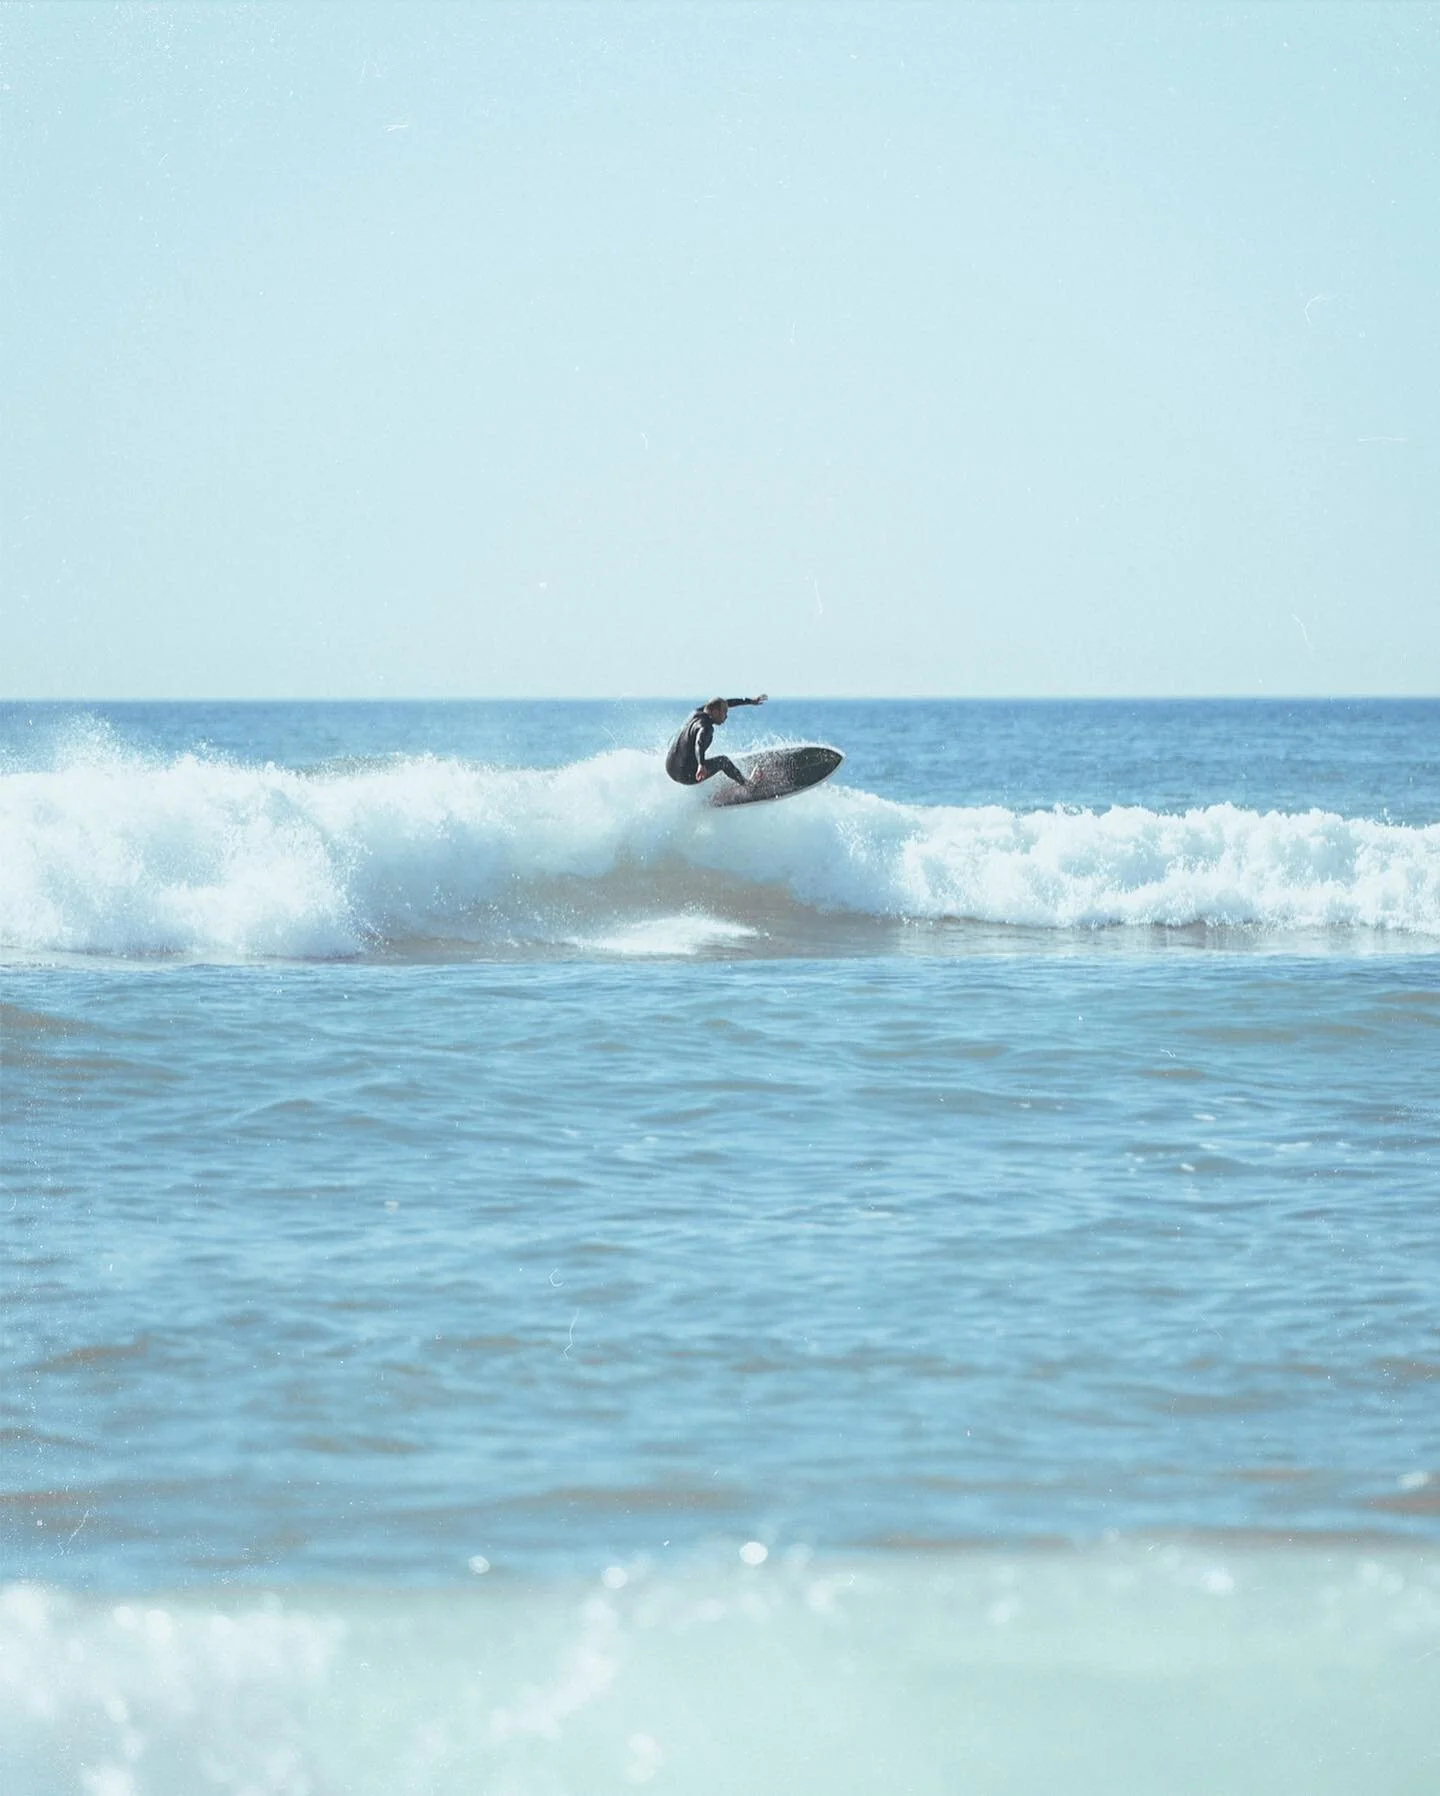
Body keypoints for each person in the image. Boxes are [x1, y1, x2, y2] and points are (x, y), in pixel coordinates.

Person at [665, 694, 768, 786]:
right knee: (723, 761)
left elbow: (725, 703)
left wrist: (749, 701)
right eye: (724, 712)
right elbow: (699, 743)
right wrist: (701, 764)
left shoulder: (696, 712)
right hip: (685, 775)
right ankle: (747, 785)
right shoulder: (706, 727)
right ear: (715, 712)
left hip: (670, 767)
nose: (726, 716)